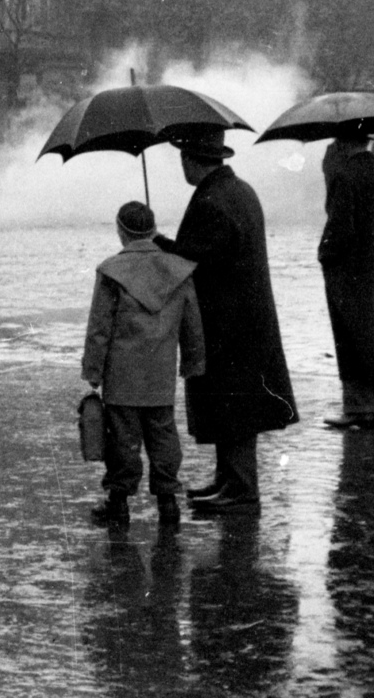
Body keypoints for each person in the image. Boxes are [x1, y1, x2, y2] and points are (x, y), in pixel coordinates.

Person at [156, 128, 297, 513]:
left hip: (226, 322)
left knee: (232, 404)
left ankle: (241, 489)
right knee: (232, 403)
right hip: (244, 318)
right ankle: (229, 480)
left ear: (189, 159)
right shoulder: (239, 190)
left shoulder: (212, 201)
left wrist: (160, 245)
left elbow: (196, 261)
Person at [81, 201, 205, 526]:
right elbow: (192, 323)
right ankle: (168, 503)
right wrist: (193, 363)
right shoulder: (177, 271)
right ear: (152, 230)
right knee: (163, 436)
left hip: (122, 376)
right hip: (160, 375)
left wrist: (92, 372)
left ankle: (118, 503)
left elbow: (99, 328)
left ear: (121, 231)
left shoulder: (111, 272)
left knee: (122, 439)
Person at [318, 126, 374, 429]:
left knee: (351, 337)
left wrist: (323, 254)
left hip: (350, 272)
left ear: (341, 142)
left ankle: (358, 407)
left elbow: (339, 229)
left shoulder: (345, 175)